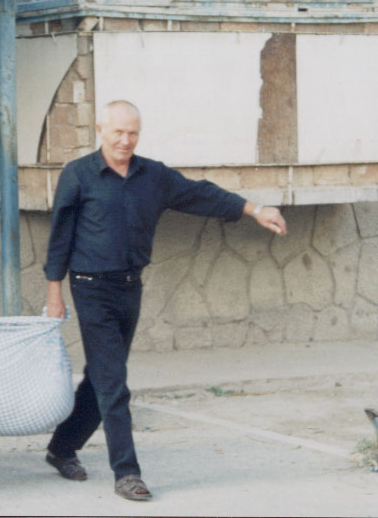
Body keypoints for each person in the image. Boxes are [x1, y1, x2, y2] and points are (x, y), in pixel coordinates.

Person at [43, 100, 287, 501]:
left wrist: (254, 209)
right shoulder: (78, 175)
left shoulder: (150, 174)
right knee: (113, 381)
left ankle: (61, 448)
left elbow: (198, 194)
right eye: (118, 132)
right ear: (100, 130)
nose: (125, 140)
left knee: (104, 376)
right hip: (89, 286)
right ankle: (127, 473)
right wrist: (55, 291)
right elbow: (59, 239)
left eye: (133, 132)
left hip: (129, 286)